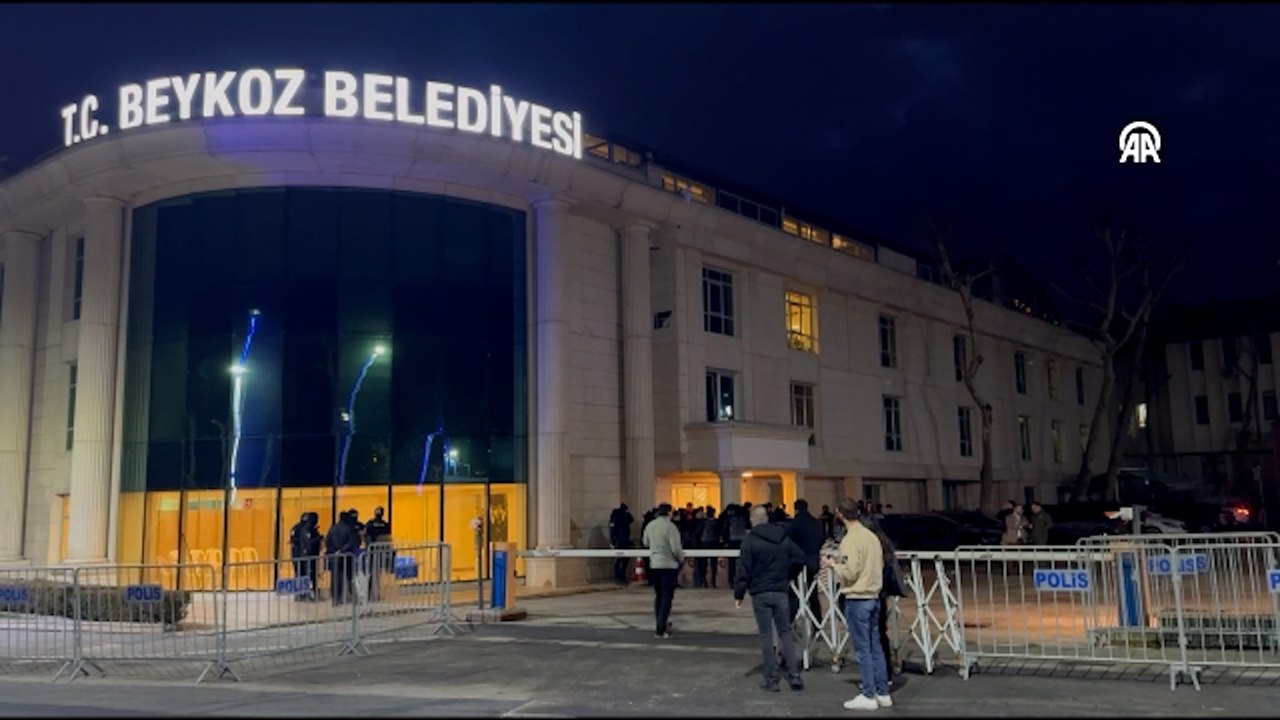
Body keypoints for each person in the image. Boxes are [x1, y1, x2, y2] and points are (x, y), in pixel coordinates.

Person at [824, 498, 891, 711]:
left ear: (840, 514)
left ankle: (868, 693)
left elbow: (850, 571)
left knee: (862, 649)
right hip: (874, 596)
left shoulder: (850, 540)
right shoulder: (872, 537)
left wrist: (833, 565)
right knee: (876, 647)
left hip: (857, 597)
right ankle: (882, 692)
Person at [735, 505, 806, 692]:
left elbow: (743, 570)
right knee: (785, 632)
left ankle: (772, 678)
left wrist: (739, 594)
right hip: (781, 590)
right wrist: (789, 575)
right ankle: (794, 675)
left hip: (760, 592)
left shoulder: (749, 541)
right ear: (766, 518)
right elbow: (800, 558)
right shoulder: (783, 537)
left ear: (752, 520)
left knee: (767, 636)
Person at [859, 513, 907, 690]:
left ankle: (875, 679)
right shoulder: (886, 543)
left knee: (870, 638)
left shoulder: (870, 545)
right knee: (880, 635)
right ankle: (885, 675)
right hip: (882, 593)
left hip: (871, 592)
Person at [642, 503, 684, 638]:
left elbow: (645, 542)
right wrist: (681, 559)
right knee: (667, 597)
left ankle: (659, 624)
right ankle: (661, 628)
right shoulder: (671, 527)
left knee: (658, 596)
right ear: (669, 513)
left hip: (655, 564)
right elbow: (675, 548)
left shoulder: (650, 525)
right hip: (669, 565)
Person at [787, 499, 825, 627]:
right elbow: (821, 538)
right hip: (813, 560)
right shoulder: (815, 522)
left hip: (798, 562)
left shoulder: (795, 523)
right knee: (812, 595)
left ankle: (790, 622)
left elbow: (789, 540)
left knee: (793, 595)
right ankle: (817, 623)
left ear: (795, 509)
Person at [325, 511, 360, 606]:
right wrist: (342, 550)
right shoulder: (349, 529)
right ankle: (354, 598)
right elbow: (352, 542)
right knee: (350, 577)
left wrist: (333, 551)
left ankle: (336, 599)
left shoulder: (333, 528)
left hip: (334, 557)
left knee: (335, 578)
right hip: (347, 556)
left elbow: (327, 541)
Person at [364, 507, 392, 601]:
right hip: (381, 552)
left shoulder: (370, 524)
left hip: (373, 552)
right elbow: (387, 538)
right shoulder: (385, 525)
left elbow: (366, 537)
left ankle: (370, 595)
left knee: (372, 574)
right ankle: (376, 594)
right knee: (378, 575)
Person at [723, 504, 749, 588]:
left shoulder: (730, 519)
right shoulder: (744, 519)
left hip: (732, 541)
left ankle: (731, 579)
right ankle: (742, 578)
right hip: (743, 540)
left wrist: (725, 541)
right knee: (743, 561)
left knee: (731, 562)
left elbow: (725, 530)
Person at [609, 503, 635, 586]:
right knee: (623, 561)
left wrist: (613, 542)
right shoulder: (624, 517)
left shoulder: (613, 517)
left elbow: (612, 532)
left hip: (617, 543)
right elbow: (631, 519)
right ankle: (621, 577)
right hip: (623, 542)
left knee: (618, 561)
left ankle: (618, 577)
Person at [288, 513, 310, 603]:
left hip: (297, 554)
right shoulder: (303, 529)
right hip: (300, 554)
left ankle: (300, 594)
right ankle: (301, 593)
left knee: (299, 574)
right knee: (302, 574)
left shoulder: (295, 527)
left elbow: (292, 539)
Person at [696, 506, 721, 588]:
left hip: (704, 543)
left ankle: (703, 580)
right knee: (714, 563)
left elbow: (698, 533)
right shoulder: (717, 522)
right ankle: (713, 581)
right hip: (714, 543)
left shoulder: (703, 522)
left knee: (704, 563)